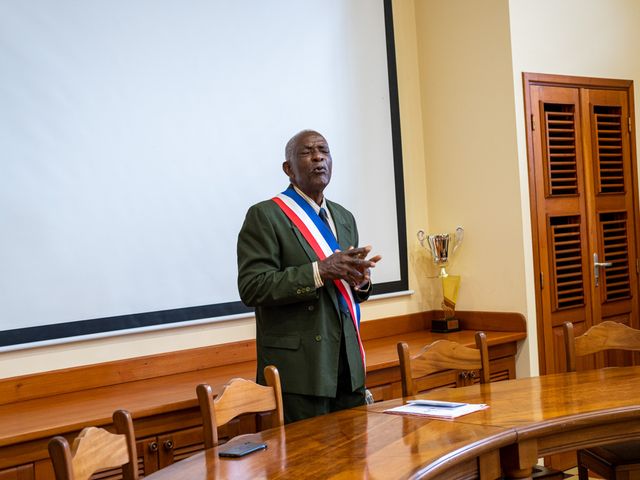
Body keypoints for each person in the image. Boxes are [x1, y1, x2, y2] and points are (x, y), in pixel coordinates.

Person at [237, 129, 381, 423]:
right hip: (300, 372)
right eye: (307, 152)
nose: (318, 157)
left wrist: (361, 282)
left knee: (355, 459)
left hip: (347, 365)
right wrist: (319, 271)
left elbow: (345, 291)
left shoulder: (343, 217)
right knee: (307, 465)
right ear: (288, 169)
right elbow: (252, 287)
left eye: (324, 151)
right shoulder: (266, 216)